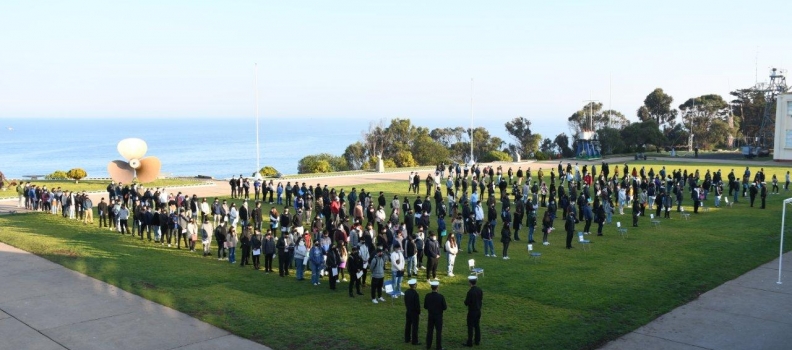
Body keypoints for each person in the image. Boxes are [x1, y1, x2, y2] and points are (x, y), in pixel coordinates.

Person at [424, 280, 447, 350]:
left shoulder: (427, 296)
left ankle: (428, 345)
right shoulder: (441, 296)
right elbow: (445, 307)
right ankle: (438, 347)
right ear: (437, 288)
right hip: (438, 316)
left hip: (430, 316)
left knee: (430, 331)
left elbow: (425, 306)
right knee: (438, 332)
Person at [463, 275, 483, 347]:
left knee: (470, 327)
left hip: (472, 312)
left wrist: (465, 302)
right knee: (477, 325)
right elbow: (481, 299)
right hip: (478, 311)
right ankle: (477, 341)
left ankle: (469, 342)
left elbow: (466, 302)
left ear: (470, 282)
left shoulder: (470, 292)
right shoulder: (479, 290)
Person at [404, 278, 421, 345]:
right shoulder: (415, 293)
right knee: (415, 327)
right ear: (414, 285)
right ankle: (414, 341)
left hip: (408, 311)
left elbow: (405, 301)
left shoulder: (406, 292)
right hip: (414, 312)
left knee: (408, 325)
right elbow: (417, 304)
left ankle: (407, 339)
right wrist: (418, 311)